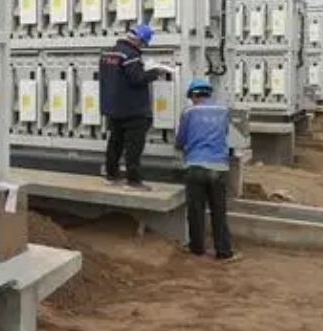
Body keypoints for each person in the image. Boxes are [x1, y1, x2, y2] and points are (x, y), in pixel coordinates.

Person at [175, 77, 240, 262]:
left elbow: (180, 140)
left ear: (194, 95)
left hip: (195, 166)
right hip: (218, 167)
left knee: (196, 210)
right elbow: (229, 136)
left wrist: (183, 147)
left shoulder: (188, 112)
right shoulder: (224, 111)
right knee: (218, 211)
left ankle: (196, 248)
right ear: (209, 93)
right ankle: (224, 251)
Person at [99, 22, 168, 189]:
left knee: (115, 143)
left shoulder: (107, 53)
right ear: (139, 40)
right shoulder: (131, 55)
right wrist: (155, 73)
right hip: (133, 109)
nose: (142, 46)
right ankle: (134, 181)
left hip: (113, 107)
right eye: (143, 43)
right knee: (134, 147)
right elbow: (137, 79)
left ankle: (112, 175)